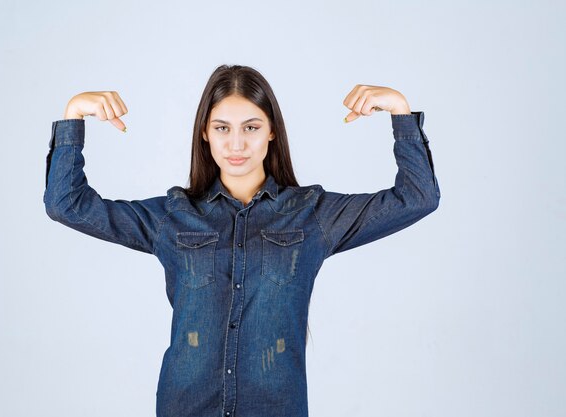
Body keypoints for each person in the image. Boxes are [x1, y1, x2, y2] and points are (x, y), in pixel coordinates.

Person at [43, 64, 441, 417]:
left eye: (251, 127)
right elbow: (67, 204)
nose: (236, 144)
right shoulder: (173, 216)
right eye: (222, 128)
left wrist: (401, 113)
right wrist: (73, 116)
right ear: (205, 134)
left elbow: (417, 197)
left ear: (271, 133)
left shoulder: (311, 215)